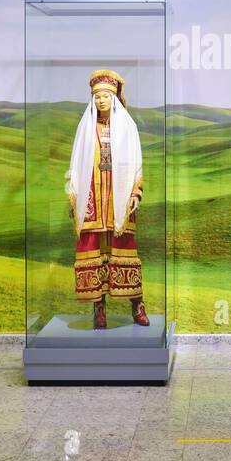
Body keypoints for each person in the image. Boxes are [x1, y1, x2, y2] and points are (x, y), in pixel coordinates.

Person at [66, 69, 149, 329]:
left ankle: (137, 305)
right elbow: (76, 164)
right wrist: (75, 196)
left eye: (106, 96)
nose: (101, 101)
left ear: (114, 98)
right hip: (93, 202)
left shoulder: (127, 128)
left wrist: (136, 192)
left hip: (118, 200)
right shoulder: (86, 129)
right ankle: (98, 307)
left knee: (124, 251)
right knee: (95, 251)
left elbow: (136, 163)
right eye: (97, 97)